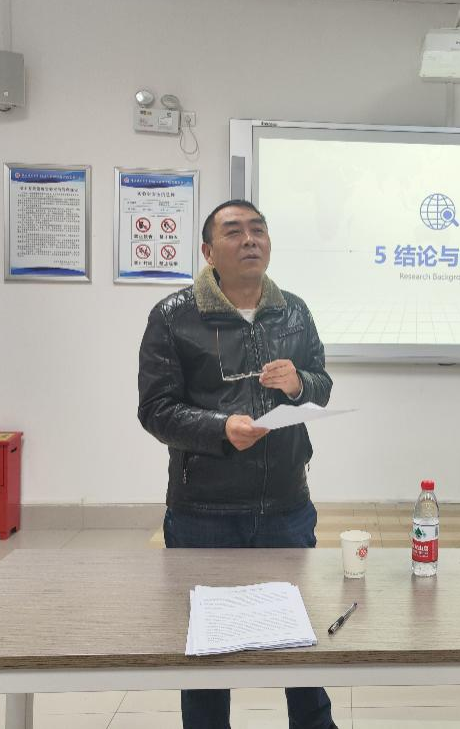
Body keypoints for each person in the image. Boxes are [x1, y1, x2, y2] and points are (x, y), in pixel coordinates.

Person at [138, 199, 336, 729]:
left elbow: (322, 385)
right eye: (234, 231)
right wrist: (220, 429)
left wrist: (299, 382)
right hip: (204, 510)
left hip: (286, 504)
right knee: (207, 644)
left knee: (300, 632)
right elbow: (156, 410)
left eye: (258, 229)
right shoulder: (173, 316)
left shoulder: (294, 311)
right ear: (208, 251)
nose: (250, 239)